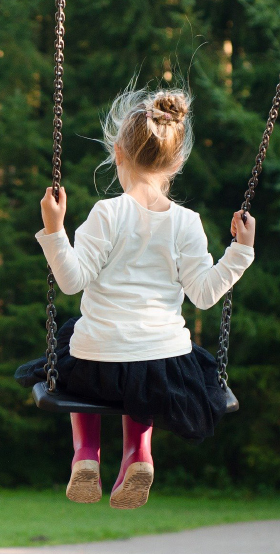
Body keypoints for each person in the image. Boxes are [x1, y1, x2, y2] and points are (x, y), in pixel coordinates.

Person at [15, 85, 255, 509]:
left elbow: (70, 281)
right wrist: (240, 252)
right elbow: (203, 295)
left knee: (75, 343)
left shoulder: (106, 214)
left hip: (97, 363)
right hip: (163, 366)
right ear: (177, 162)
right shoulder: (187, 222)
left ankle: (86, 454)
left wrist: (54, 230)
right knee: (144, 374)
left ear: (117, 153)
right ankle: (138, 454)